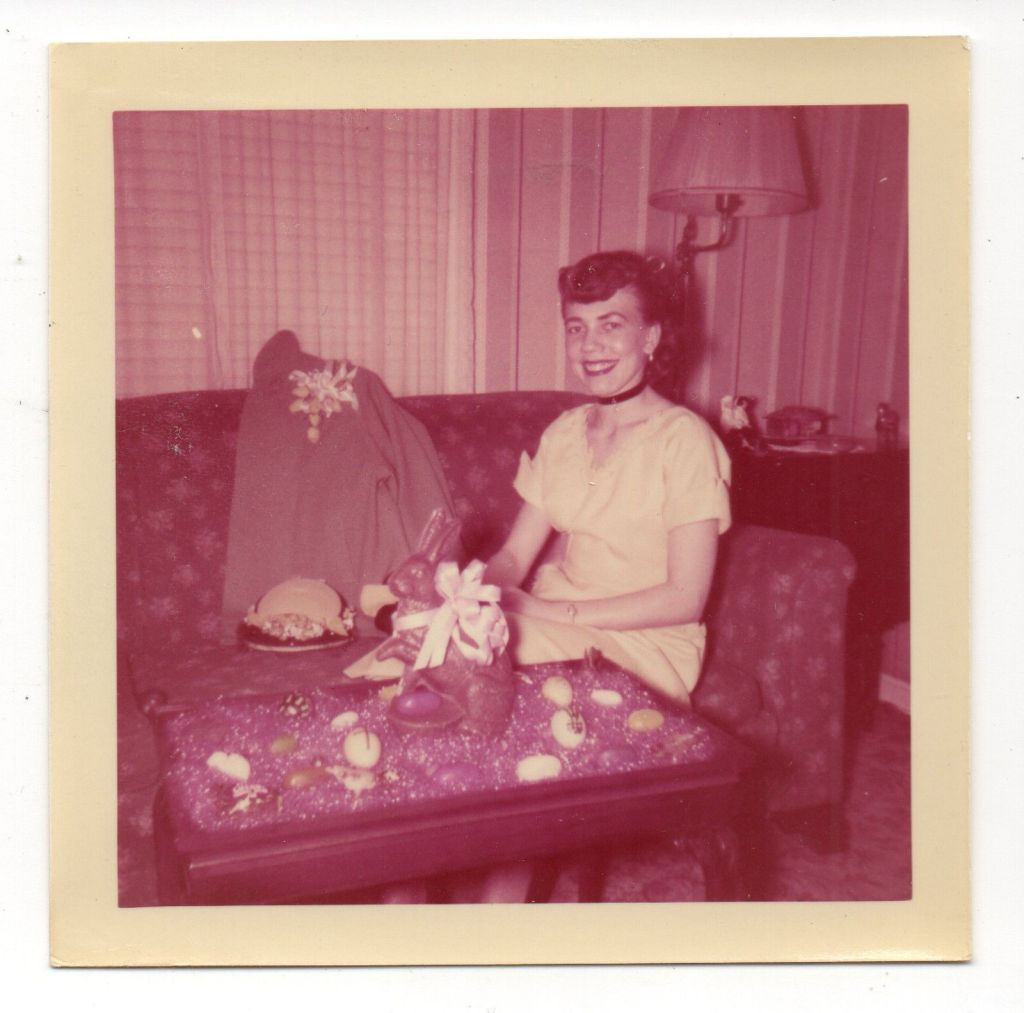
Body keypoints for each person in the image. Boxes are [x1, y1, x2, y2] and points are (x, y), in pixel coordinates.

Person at [485, 249, 732, 707]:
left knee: (476, 659)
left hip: (646, 646)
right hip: (556, 623)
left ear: (651, 337)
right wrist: (475, 589)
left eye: (611, 325)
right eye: (577, 329)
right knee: (425, 640)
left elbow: (685, 598)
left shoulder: (685, 440)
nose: (590, 345)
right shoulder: (564, 432)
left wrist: (545, 611)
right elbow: (514, 556)